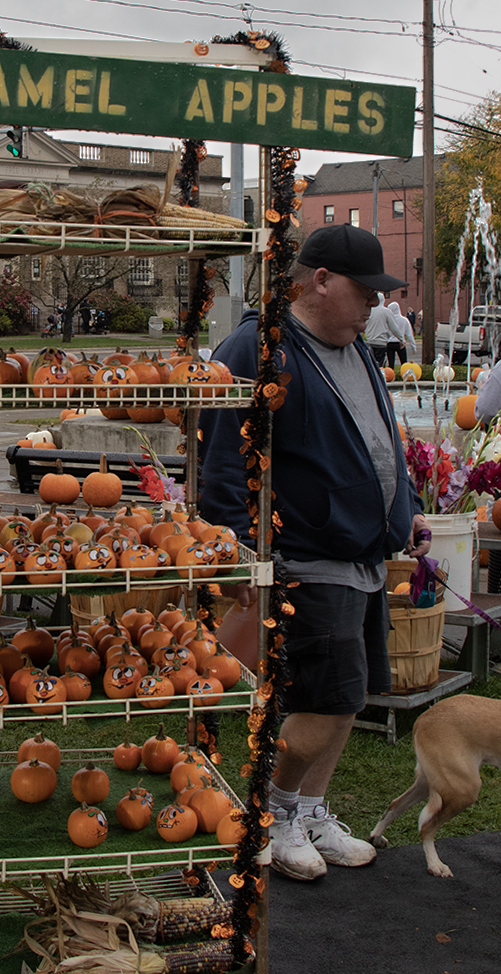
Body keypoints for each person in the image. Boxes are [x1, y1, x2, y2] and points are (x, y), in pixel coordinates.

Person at [200, 224, 430, 881]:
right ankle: (270, 812)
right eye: (366, 292)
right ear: (320, 281)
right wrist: (233, 550)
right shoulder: (259, 348)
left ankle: (308, 809)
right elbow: (224, 457)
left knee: (347, 700)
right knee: (324, 703)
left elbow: (381, 438)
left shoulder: (355, 349)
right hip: (305, 559)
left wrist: (407, 509)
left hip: (362, 556)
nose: (375, 306)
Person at [363, 292, 400, 366]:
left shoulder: (369, 311)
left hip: (370, 341)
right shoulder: (386, 312)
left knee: (370, 363)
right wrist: (401, 339)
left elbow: (363, 324)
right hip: (381, 342)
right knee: (379, 365)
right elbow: (394, 327)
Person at [386, 300, 417, 367]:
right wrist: (413, 346)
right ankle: (404, 372)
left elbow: (386, 331)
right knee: (404, 362)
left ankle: (391, 373)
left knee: (391, 363)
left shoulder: (388, 320)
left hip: (390, 343)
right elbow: (409, 334)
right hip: (400, 343)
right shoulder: (404, 320)